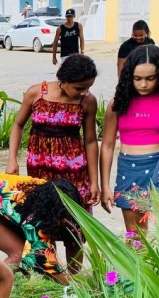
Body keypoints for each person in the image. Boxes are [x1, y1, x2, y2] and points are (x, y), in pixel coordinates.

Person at [7, 54, 98, 271]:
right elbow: (18, 125)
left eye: (88, 87)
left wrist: (94, 181)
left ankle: (74, 282)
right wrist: (12, 159)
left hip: (74, 173)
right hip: (40, 171)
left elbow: (91, 140)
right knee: (45, 223)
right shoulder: (36, 93)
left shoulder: (87, 101)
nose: (84, 92)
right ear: (63, 80)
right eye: (79, 87)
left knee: (74, 227)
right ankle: (53, 277)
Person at [100, 45, 159, 232]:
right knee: (137, 238)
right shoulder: (118, 103)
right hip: (130, 168)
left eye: (150, 78)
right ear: (129, 76)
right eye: (137, 79)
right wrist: (105, 186)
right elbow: (108, 146)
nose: (143, 84)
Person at [0, 173, 83, 283]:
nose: (66, 219)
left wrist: (76, 278)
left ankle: (18, 287)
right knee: (18, 253)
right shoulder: (34, 216)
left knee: (42, 246)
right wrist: (73, 286)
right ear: (52, 212)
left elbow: (75, 240)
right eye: (62, 216)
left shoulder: (53, 194)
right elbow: (41, 258)